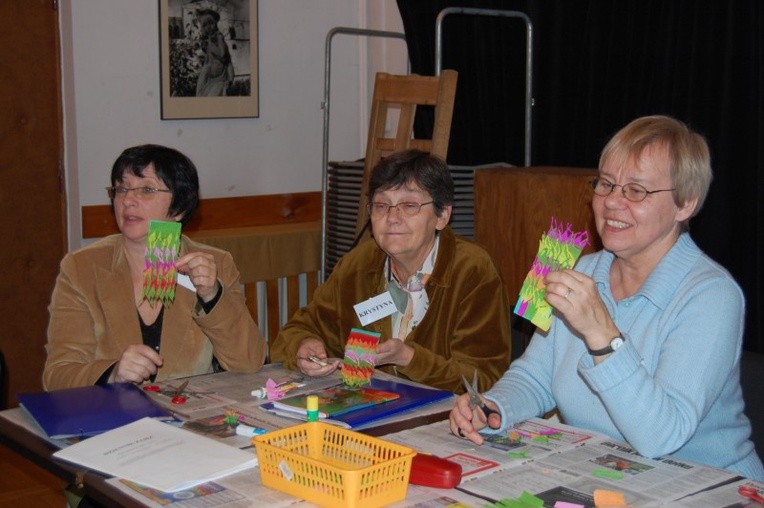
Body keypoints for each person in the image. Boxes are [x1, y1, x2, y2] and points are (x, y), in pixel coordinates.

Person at [449, 115, 764, 480]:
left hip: (712, 486)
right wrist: (492, 407)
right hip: (612, 476)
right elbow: (535, 376)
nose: (612, 202)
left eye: (636, 190)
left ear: (685, 204)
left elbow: (662, 436)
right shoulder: (577, 267)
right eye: (606, 184)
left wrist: (602, 336)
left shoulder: (713, 294)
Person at [270, 149, 511, 393]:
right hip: (368, 410)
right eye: (382, 205)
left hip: (444, 420)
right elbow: (297, 330)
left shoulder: (473, 271)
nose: (393, 217)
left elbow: (485, 377)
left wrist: (410, 359)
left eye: (409, 205)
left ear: (442, 216)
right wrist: (305, 345)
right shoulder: (357, 266)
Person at [43, 144, 266, 390]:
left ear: (178, 208)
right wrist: (112, 373)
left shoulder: (216, 263)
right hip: (115, 418)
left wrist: (212, 296)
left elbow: (250, 362)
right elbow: (58, 376)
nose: (128, 200)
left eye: (146, 190)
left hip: (187, 417)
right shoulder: (83, 267)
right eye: (121, 188)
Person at [195, 8, 234, 97]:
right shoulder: (209, 40)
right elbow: (208, 60)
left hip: (220, 75)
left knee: (214, 95)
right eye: (205, 25)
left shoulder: (219, 36)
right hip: (210, 76)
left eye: (211, 23)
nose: (209, 27)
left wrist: (231, 79)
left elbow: (223, 56)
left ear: (215, 23)